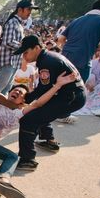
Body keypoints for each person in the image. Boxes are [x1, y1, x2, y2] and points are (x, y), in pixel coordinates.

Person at [13, 35, 86, 171]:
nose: (24, 56)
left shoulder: (47, 62)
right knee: (42, 111)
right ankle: (48, 140)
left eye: (26, 52)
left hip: (71, 98)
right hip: (74, 94)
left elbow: (42, 92)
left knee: (28, 120)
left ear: (36, 48)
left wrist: (24, 99)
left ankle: (27, 159)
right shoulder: (48, 57)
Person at [56, 0, 100, 124]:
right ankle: (63, 114)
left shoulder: (78, 20)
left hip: (65, 56)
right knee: (76, 88)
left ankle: (54, 111)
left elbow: (60, 39)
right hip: (82, 58)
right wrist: (92, 44)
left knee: (61, 85)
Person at [57, 0, 100, 82]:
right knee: (77, 90)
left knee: (60, 87)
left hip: (64, 58)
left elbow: (61, 39)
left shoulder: (77, 20)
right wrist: (94, 46)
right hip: (83, 61)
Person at [0, 0, 39, 96]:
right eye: (28, 9)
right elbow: (8, 42)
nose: (30, 13)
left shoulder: (18, 23)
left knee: (5, 91)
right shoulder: (12, 22)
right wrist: (25, 46)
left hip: (14, 62)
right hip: (8, 62)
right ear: (20, 10)